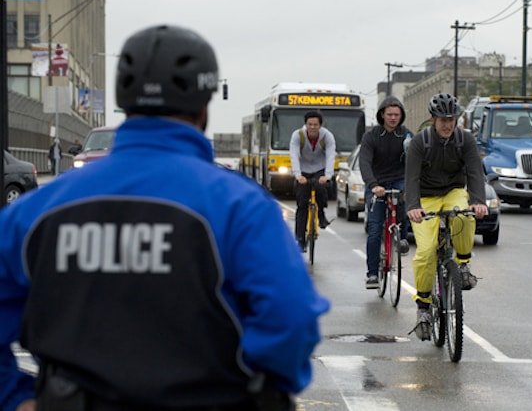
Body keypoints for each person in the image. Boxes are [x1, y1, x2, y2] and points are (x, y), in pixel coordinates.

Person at [0, 24, 329, 411]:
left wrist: (19, 399)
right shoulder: (242, 207)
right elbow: (291, 322)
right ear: (204, 104)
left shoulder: (35, 213)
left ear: (125, 100)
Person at [405, 92, 488, 341]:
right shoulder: (420, 142)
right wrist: (412, 206)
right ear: (432, 119)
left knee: (464, 217)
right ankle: (422, 308)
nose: (447, 124)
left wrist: (478, 202)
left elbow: (474, 172)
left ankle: (463, 265)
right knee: (426, 251)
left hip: (453, 191)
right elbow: (412, 178)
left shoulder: (465, 140)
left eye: (451, 119)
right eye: (442, 119)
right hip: (426, 198)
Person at [359, 96, 412, 289]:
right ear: (382, 114)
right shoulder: (371, 136)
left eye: (396, 115)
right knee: (374, 229)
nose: (393, 118)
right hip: (377, 184)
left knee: (403, 207)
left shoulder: (406, 135)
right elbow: (364, 162)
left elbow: (413, 160)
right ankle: (372, 273)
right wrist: (373, 185)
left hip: (398, 180)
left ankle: (403, 237)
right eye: (389, 114)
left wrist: (410, 184)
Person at [289, 110, 336, 251]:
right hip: (303, 171)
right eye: (310, 124)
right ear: (306, 124)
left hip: (319, 169)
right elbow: (294, 155)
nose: (312, 127)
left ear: (320, 125)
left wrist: (327, 175)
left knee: (321, 189)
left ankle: (321, 214)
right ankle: (300, 240)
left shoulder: (327, 136)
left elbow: (330, 156)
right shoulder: (297, 135)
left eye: (315, 124)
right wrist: (298, 175)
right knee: (302, 204)